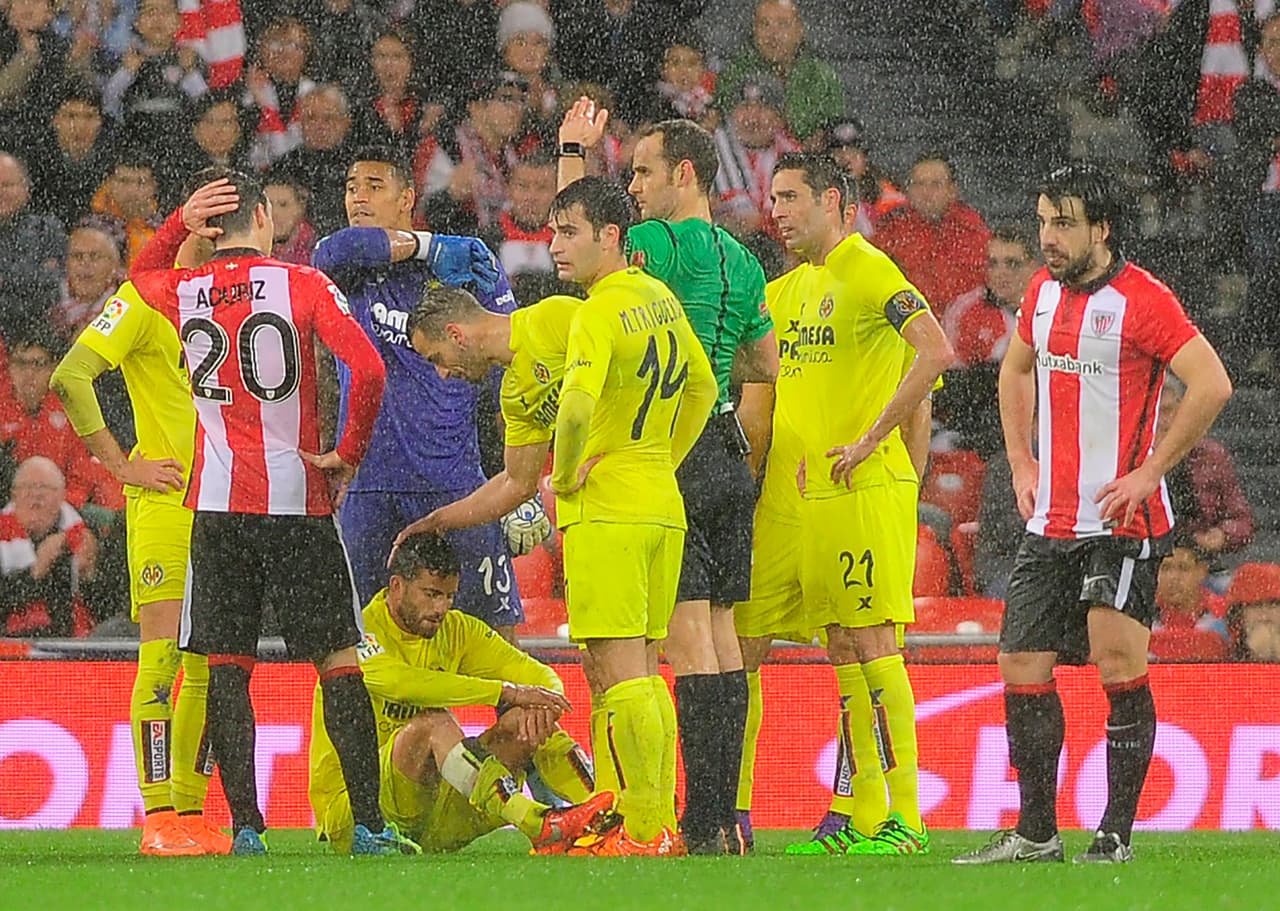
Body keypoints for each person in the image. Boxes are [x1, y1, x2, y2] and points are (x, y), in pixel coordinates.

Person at [128, 167, 414, 856]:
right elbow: (369, 370)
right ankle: (369, 825)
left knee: (228, 670)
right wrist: (347, 452)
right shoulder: (304, 284)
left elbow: (139, 274)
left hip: (218, 509)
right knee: (338, 662)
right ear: (263, 217)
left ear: (208, 227)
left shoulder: (186, 289)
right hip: (298, 501)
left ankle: (247, 829)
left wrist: (178, 223)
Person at [954, 163, 1232, 866]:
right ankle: (1037, 833)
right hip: (1050, 519)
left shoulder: (1145, 299)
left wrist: (1150, 471)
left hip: (1120, 523)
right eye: (1044, 221)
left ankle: (1114, 835)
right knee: (1020, 662)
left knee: (1117, 664)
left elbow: (1212, 383)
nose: (1048, 237)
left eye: (1064, 224)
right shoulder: (1041, 293)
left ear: (1102, 229)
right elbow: (1016, 369)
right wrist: (1020, 460)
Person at [555, 102, 778, 854]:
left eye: (644, 172)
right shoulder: (743, 259)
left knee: (682, 643)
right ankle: (726, 816)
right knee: (724, 639)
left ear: (684, 174)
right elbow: (766, 362)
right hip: (726, 443)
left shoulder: (651, 244)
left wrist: (573, 152)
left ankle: (683, 818)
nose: (634, 187)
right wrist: (712, 352)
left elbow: (586, 234)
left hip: (665, 448)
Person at [740, 154, 949, 857]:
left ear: (834, 201)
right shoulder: (787, 290)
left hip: (866, 487)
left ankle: (908, 819)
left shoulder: (870, 269)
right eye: (773, 197)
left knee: (875, 645)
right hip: (816, 494)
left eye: (791, 196)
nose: (778, 210)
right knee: (845, 648)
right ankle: (862, 816)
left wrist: (872, 441)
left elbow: (936, 351)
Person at [50, 190, 233, 855]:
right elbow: (72, 376)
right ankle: (157, 817)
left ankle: (191, 813)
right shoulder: (143, 300)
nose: (222, 247)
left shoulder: (234, 305)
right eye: (211, 232)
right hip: (165, 506)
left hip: (225, 507)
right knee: (162, 662)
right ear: (186, 230)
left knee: (209, 667)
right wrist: (122, 464)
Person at [551, 176, 718, 855]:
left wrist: (565, 475)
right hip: (659, 502)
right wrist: (662, 457)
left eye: (570, 232)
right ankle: (637, 816)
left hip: (609, 510)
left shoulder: (596, 312)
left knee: (620, 674)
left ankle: (644, 829)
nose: (555, 246)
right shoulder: (661, 298)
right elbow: (704, 386)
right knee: (642, 672)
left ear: (611, 236)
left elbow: (575, 410)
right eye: (554, 232)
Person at [310, 145, 534, 642]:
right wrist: (426, 245)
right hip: (368, 486)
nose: (358, 198)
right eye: (351, 188)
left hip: (455, 483)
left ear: (407, 197)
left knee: (494, 632)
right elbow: (334, 251)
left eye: (374, 187)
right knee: (359, 638)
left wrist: (522, 479)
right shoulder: (349, 265)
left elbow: (512, 362)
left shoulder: (465, 266)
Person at [309, 531, 612, 853]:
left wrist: (544, 703)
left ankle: (606, 816)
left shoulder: (458, 630)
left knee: (524, 719)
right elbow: (403, 684)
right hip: (358, 812)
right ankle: (537, 824)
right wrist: (503, 692)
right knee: (433, 723)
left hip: (437, 813)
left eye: (449, 596)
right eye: (431, 594)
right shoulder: (360, 633)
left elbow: (538, 676)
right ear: (396, 586)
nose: (441, 608)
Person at [873, 152, 992, 318]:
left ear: (952, 190)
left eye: (935, 185)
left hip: (966, 325)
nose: (926, 192)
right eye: (919, 184)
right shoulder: (890, 231)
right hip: (908, 323)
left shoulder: (973, 231)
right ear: (908, 190)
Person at [0, 456, 97, 638]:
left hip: (70, 639)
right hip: (9, 639)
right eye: (27, 487)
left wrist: (88, 573)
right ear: (14, 494)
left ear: (62, 495)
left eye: (44, 487)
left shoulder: (82, 533)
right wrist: (36, 571)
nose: (36, 495)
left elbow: (103, 600)